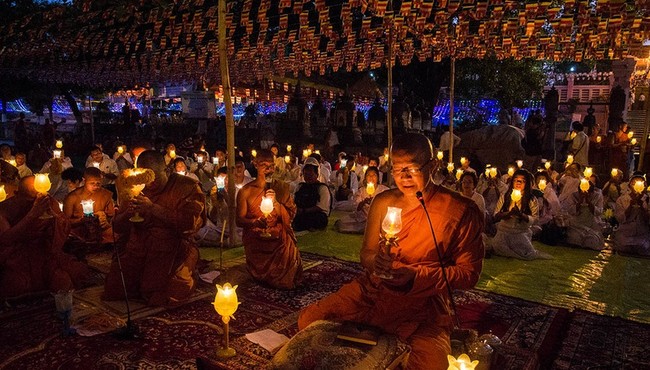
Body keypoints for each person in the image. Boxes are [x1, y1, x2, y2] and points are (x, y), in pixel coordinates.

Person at [299, 133, 484, 369]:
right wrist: (376, 263)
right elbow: (366, 254)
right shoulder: (383, 202)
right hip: (375, 289)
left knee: (433, 364)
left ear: (433, 165)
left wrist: (417, 276)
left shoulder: (460, 209)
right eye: (397, 169)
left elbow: (469, 274)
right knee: (308, 321)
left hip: (423, 302)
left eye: (413, 168)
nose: (404, 177)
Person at [103, 150, 206, 306]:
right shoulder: (135, 186)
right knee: (114, 290)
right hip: (138, 247)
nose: (149, 183)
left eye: (153, 177)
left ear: (167, 170)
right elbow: (118, 227)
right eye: (144, 177)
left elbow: (189, 225)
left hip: (171, 249)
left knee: (162, 296)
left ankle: (190, 271)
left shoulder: (186, 186)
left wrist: (153, 208)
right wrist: (128, 213)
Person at [0, 176, 91, 298]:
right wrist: (33, 214)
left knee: (69, 276)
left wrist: (54, 216)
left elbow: (63, 226)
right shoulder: (6, 208)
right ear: (17, 194)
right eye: (31, 199)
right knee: (16, 285)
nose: (37, 200)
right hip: (18, 255)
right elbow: (6, 239)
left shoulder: (47, 201)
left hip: (46, 252)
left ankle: (65, 309)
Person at [236, 149, 302, 289]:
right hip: (256, 234)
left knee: (285, 247)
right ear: (255, 165)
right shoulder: (246, 191)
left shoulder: (281, 187)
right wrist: (255, 222)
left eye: (271, 165)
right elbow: (239, 220)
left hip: (278, 236)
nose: (268, 169)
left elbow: (291, 214)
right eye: (264, 165)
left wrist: (277, 203)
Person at [485, 169, 551, 260]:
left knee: (526, 253)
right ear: (512, 182)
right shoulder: (505, 196)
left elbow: (535, 219)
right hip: (504, 232)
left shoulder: (531, 199)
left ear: (527, 184)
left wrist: (521, 215)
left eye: (522, 181)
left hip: (520, 233)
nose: (518, 183)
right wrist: (508, 214)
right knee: (499, 248)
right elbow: (496, 215)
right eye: (516, 180)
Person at [63, 167, 116, 246]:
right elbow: (64, 222)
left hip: (100, 230)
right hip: (79, 230)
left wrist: (104, 219)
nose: (96, 186)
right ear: (84, 180)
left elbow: (112, 217)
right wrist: (81, 220)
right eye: (92, 183)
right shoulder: (72, 197)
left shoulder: (106, 194)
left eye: (98, 183)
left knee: (117, 235)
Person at [335, 166, 389, 234]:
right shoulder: (361, 191)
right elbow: (357, 207)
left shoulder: (384, 190)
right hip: (363, 218)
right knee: (342, 223)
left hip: (379, 219)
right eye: (369, 175)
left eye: (374, 175)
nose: (371, 177)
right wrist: (364, 202)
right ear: (365, 178)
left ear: (378, 178)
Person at [613, 174, 650, 256]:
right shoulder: (622, 199)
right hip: (626, 233)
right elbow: (620, 218)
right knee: (624, 247)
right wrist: (631, 205)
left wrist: (642, 207)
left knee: (644, 247)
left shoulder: (647, 200)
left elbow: (647, 220)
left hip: (641, 234)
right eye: (634, 183)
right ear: (629, 185)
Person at [293, 157, 331, 232]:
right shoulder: (300, 186)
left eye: (311, 175)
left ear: (317, 174)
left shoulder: (322, 188)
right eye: (306, 174)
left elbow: (320, 207)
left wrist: (304, 210)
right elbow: (293, 201)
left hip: (315, 215)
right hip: (301, 213)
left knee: (318, 218)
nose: (308, 177)